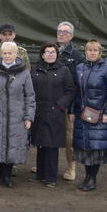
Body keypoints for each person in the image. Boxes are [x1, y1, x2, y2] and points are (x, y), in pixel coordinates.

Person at [0, 42, 35, 188]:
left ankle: (7, 175)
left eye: (10, 53)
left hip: (16, 115)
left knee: (12, 144)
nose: (7, 56)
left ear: (16, 54)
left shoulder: (24, 72)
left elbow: (29, 96)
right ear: (1, 54)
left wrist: (29, 117)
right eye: (5, 53)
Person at [69, 39, 107, 192]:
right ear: (86, 51)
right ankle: (87, 177)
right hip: (82, 114)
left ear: (99, 52)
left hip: (99, 115)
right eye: (90, 50)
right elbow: (75, 91)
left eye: (95, 50)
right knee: (84, 146)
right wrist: (72, 110)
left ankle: (92, 179)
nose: (92, 52)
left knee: (96, 148)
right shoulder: (79, 68)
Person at [29, 42, 76, 187]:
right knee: (41, 144)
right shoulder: (35, 69)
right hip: (39, 112)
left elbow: (70, 90)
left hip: (55, 113)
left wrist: (61, 105)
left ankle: (51, 177)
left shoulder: (64, 70)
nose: (50, 55)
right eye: (47, 52)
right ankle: (40, 174)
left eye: (53, 52)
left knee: (51, 146)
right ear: (42, 55)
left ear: (57, 54)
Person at [56, 21, 85, 181]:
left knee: (69, 138)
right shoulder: (51, 51)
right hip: (51, 102)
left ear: (72, 36)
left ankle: (71, 168)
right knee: (47, 133)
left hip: (68, 104)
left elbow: (78, 86)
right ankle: (45, 164)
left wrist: (74, 109)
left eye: (65, 32)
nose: (62, 34)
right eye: (60, 31)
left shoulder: (77, 57)